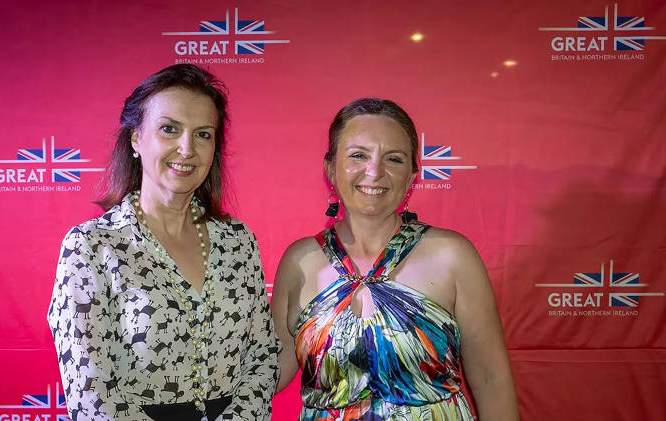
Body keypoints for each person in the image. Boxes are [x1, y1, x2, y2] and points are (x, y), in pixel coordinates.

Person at [47, 64, 279, 421]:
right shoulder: (92, 246)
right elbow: (91, 391)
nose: (187, 148)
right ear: (135, 139)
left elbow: (262, 358)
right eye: (169, 129)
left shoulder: (238, 242)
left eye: (203, 134)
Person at [271, 98, 519, 420]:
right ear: (330, 167)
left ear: (412, 174)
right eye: (358, 155)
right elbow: (269, 372)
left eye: (394, 159)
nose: (374, 172)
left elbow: (491, 380)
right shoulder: (299, 261)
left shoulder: (453, 257)